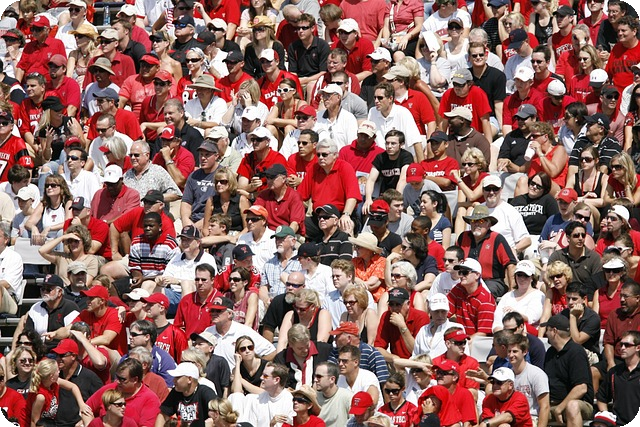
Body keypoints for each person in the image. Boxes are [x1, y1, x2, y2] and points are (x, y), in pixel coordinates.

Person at [543, 313, 595, 425]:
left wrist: (560, 408)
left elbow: (581, 388)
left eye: (547, 330)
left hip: (579, 404)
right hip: (552, 404)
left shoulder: (576, 352)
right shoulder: (550, 353)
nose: (545, 333)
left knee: (572, 406)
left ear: (554, 331)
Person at [457, 205, 517, 298]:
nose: (477, 224)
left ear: (489, 224)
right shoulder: (463, 237)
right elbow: (455, 259)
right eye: (473, 221)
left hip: (492, 281)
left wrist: (512, 291)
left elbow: (511, 265)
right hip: (465, 279)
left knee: (484, 292)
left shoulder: (497, 239)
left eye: (481, 221)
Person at [85, 358, 162, 427]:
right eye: (117, 377)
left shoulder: (150, 399)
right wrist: (89, 424)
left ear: (135, 380)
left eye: (122, 379)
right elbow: (86, 409)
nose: (117, 381)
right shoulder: (109, 389)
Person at [26, 358, 91, 427]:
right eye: (57, 371)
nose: (59, 372)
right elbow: (34, 421)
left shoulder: (54, 382)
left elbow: (73, 387)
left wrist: (81, 404)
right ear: (51, 377)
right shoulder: (40, 397)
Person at [228, 362, 294, 426]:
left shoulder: (289, 401)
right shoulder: (258, 400)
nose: (261, 377)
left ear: (276, 380)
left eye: (265, 376)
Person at [156, 362, 217, 427]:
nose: (174, 380)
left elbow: (217, 416)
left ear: (189, 379)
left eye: (177, 377)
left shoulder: (206, 392)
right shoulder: (175, 392)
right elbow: (163, 415)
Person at [492, 260, 545, 333]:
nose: (522, 278)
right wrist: (501, 334)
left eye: (526, 275)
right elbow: (497, 322)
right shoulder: (507, 296)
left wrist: (514, 313)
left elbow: (530, 319)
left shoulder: (538, 295)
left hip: (527, 334)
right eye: (519, 275)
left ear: (532, 278)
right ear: (515, 276)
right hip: (505, 334)